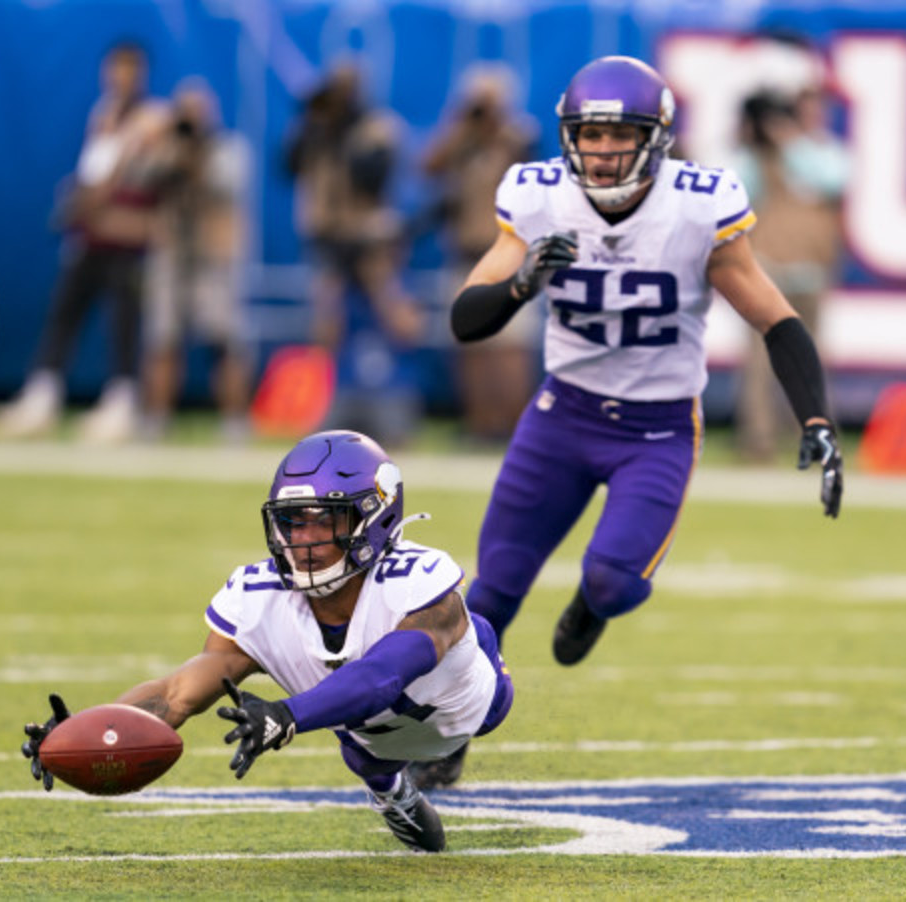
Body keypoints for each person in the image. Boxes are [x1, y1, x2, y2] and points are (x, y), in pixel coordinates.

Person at [427, 56, 843, 790]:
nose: (602, 151)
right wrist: (523, 284)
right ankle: (451, 732)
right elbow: (467, 319)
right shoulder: (539, 198)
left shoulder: (697, 206)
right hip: (562, 415)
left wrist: (816, 417)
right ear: (568, 136)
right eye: (589, 135)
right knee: (493, 592)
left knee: (615, 581)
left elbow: (775, 318)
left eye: (621, 135)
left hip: (656, 429)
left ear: (658, 140)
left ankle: (591, 606)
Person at [21, 430, 514, 853]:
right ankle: (388, 788)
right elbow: (176, 695)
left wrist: (287, 715)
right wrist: (87, 730)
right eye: (293, 521)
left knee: (402, 687)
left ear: (376, 518)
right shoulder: (259, 598)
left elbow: (382, 675)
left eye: (326, 520)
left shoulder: (418, 580)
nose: (304, 540)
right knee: (363, 743)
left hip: (470, 704)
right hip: (365, 731)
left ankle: (389, 768)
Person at [0, 42, 169, 444]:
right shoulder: (103, 114)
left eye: (129, 69)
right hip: (91, 238)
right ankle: (42, 397)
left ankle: (123, 404)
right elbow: (93, 176)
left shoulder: (152, 118)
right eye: (115, 69)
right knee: (63, 316)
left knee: (123, 324)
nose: (121, 77)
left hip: (127, 242)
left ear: (141, 73)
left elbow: (148, 182)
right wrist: (81, 202)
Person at [284, 61, 425, 447]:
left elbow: (370, 176)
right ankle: (335, 399)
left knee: (392, 432)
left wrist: (378, 275)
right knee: (329, 321)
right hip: (328, 236)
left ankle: (387, 406)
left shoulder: (376, 128)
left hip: (370, 232)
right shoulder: (318, 131)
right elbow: (288, 164)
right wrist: (313, 124)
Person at [422, 64, 539, 444]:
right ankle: (480, 423)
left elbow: (526, 165)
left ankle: (513, 425)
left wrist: (495, 125)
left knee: (509, 346)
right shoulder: (462, 142)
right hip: (464, 251)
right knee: (470, 340)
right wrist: (461, 126)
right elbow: (428, 166)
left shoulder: (515, 137)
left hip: (507, 250)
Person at [732, 84, 848, 462]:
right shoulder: (761, 158)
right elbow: (735, 188)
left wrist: (788, 140)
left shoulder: (828, 153)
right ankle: (758, 441)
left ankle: (816, 436)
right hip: (769, 269)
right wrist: (752, 139)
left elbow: (832, 179)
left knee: (811, 360)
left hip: (812, 270)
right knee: (761, 364)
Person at [140, 79, 253, 443]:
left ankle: (236, 423)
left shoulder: (228, 150)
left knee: (225, 341)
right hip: (172, 252)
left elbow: (225, 186)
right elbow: (142, 180)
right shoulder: (166, 148)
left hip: (213, 256)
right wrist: (166, 147)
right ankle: (156, 419)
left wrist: (197, 158)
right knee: (163, 338)